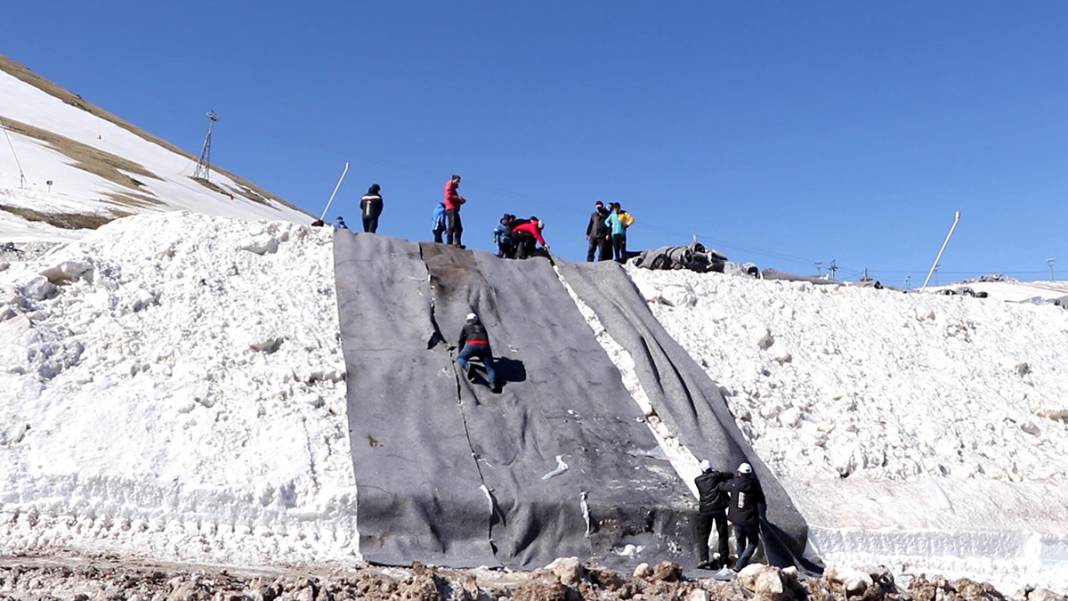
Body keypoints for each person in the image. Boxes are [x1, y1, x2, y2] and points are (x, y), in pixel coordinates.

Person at [724, 462, 766, 572]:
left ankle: (740, 563)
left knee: (740, 540)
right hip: (750, 519)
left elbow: (722, 487)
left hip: (736, 518)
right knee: (752, 542)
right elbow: (761, 500)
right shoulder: (754, 485)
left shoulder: (734, 483)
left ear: (739, 472)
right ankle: (740, 563)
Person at [694, 459, 734, 570]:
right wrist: (716, 473)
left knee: (703, 535)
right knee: (722, 534)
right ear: (710, 468)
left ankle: (704, 559)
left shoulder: (697, 480)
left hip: (705, 510)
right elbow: (729, 475)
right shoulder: (716, 476)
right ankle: (724, 559)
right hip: (718, 509)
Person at [456, 312, 498, 392]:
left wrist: (460, 352)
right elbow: (486, 339)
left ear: (468, 320)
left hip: (471, 345)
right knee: (490, 367)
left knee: (460, 358)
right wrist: (488, 354)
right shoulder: (482, 327)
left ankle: (468, 367)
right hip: (484, 346)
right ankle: (493, 384)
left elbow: (461, 341)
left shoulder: (466, 327)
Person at [443, 175, 466, 246]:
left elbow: (453, 198)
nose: (458, 183)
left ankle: (457, 242)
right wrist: (459, 199)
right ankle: (449, 242)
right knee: (452, 226)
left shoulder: (454, 189)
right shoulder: (449, 185)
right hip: (450, 209)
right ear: (453, 179)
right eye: (457, 181)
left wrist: (460, 201)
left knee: (459, 228)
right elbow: (448, 196)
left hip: (455, 209)